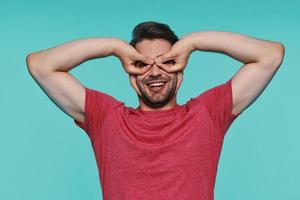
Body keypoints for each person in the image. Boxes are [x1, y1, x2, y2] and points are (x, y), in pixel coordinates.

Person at [26, 21, 285, 200]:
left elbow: (270, 55)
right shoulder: (106, 117)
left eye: (167, 62)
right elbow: (40, 65)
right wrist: (115, 48)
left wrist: (193, 42)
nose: (155, 72)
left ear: (180, 73)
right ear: (132, 77)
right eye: (142, 64)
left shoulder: (207, 113)